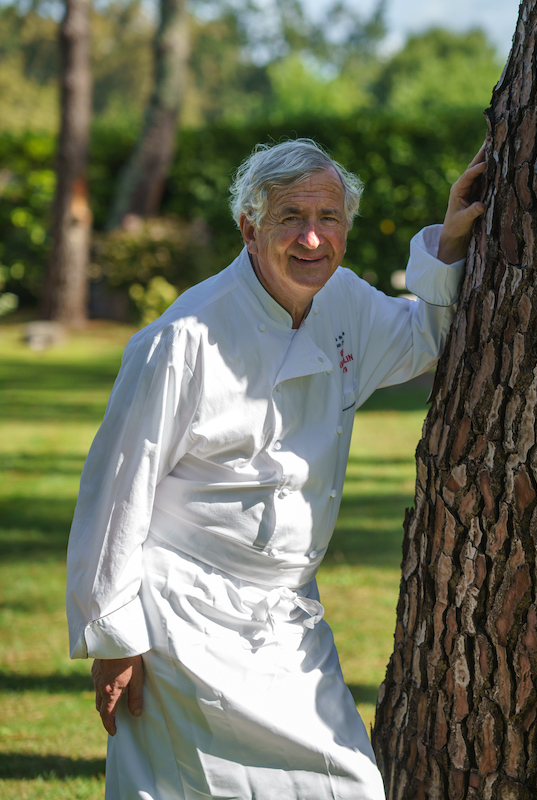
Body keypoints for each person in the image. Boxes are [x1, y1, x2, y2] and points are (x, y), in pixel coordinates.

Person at [65, 138, 487, 799]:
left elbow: (425, 339)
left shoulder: (346, 301)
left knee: (346, 785)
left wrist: (450, 244)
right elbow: (119, 488)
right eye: (290, 218)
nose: (312, 239)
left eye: (329, 219)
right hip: (184, 616)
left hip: (289, 620)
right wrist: (115, 634)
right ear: (249, 226)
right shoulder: (184, 338)